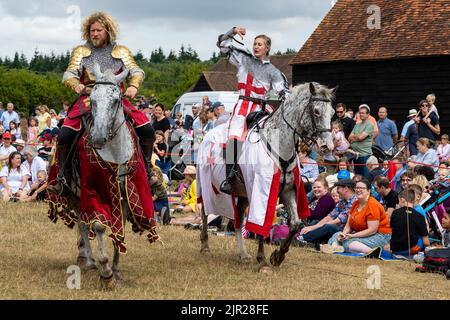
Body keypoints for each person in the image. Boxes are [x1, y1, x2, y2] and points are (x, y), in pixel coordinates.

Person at [48, 12, 155, 195]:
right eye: (91, 31)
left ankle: (147, 171)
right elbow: (69, 74)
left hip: (115, 97)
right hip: (89, 97)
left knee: (147, 129)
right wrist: (76, 84)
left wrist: (134, 86)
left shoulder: (120, 51)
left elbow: (137, 71)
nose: (94, 34)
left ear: (108, 31)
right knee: (65, 134)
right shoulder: (81, 51)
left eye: (98, 30)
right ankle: (63, 179)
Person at [217, 26, 289, 194]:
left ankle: (283, 174)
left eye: (260, 44)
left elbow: (282, 91)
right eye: (255, 43)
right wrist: (233, 31)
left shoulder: (274, 72)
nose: (256, 46)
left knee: (276, 136)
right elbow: (222, 44)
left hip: (261, 108)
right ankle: (229, 177)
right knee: (234, 139)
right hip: (243, 107)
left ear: (267, 48)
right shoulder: (243, 58)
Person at [322, 179, 391, 254]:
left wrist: (352, 236)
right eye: (357, 188)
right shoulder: (355, 204)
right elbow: (348, 225)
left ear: (368, 191)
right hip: (361, 234)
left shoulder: (372, 205)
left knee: (350, 243)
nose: (358, 190)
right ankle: (335, 248)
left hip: (379, 235)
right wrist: (343, 234)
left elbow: (372, 230)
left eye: (362, 188)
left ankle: (375, 252)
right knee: (337, 235)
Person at [297, 179, 357, 245]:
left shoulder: (354, 201)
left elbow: (338, 220)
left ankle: (302, 239)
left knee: (329, 226)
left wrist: (313, 227)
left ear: (346, 189)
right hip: (338, 228)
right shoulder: (342, 202)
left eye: (338, 188)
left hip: (347, 233)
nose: (337, 191)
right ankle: (303, 238)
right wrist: (312, 227)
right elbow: (330, 216)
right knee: (317, 222)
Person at [385, 189, 429, 255]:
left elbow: (392, 232)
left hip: (396, 249)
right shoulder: (419, 216)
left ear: (402, 199)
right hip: (412, 249)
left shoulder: (395, 213)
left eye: (398, 200)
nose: (398, 203)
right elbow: (426, 242)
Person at [348, 104, 374, 178]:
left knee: (365, 178)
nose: (361, 114)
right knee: (357, 178)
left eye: (363, 113)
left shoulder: (370, 125)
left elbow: (360, 138)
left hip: (365, 156)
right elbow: (349, 138)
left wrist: (356, 137)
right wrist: (358, 137)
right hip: (355, 156)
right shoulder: (357, 125)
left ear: (368, 114)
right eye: (360, 113)